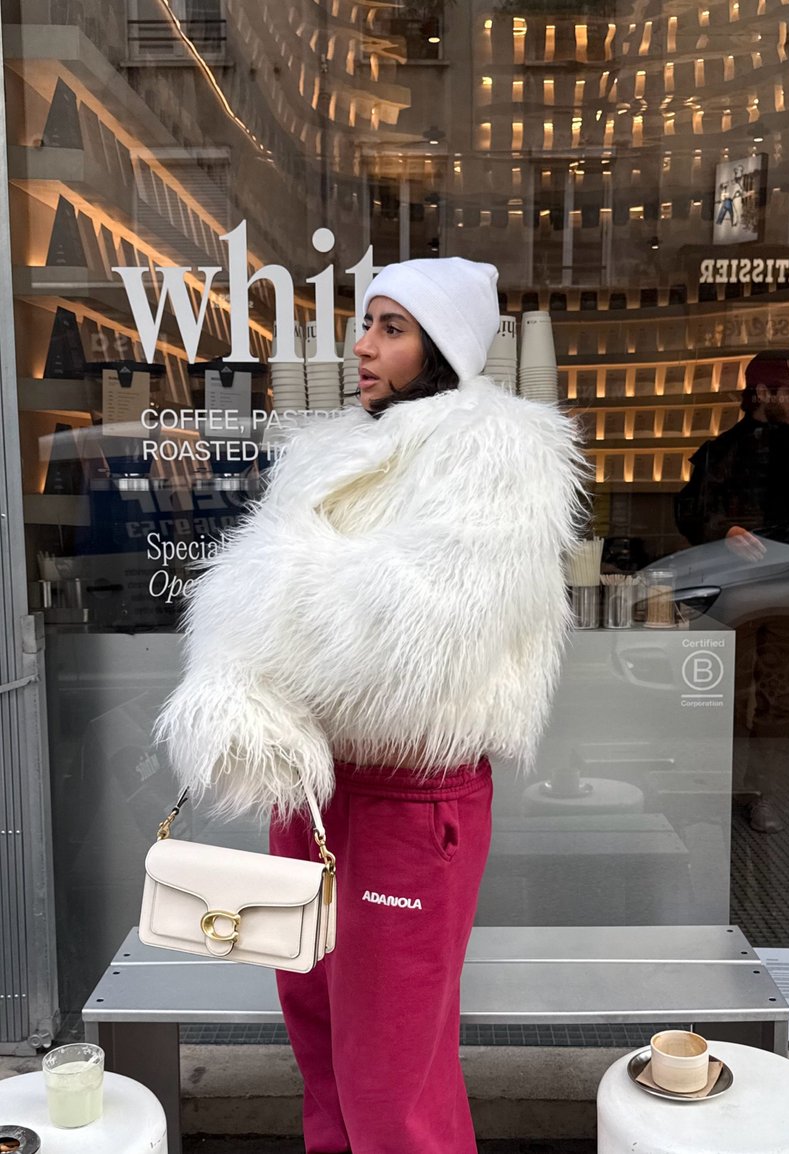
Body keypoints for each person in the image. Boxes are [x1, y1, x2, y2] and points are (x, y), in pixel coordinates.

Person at [157, 257, 585, 1153]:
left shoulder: (495, 455)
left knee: (391, 1071)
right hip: (317, 786)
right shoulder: (334, 450)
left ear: (443, 347)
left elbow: (417, 631)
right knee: (317, 1037)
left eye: (392, 328)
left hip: (410, 796)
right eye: (367, 323)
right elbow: (289, 617)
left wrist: (268, 583)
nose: (363, 344)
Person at [675, 349, 789, 834]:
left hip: (788, 593)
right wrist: (725, 531)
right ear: (762, 394)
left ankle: (759, 792)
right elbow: (689, 512)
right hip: (736, 594)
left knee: (779, 696)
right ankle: (731, 789)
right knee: (724, 694)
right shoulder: (720, 451)